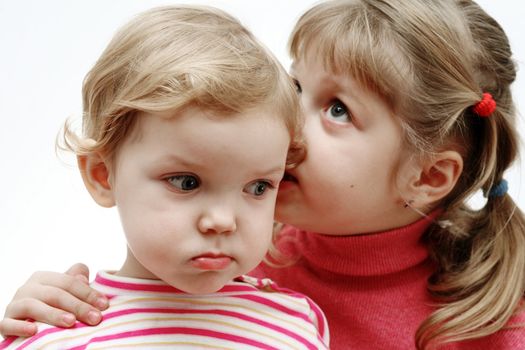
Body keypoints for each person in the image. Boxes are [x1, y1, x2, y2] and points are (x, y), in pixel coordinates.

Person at [2, 0, 525, 349]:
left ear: (428, 176)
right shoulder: (229, 261)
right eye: (295, 86)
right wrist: (34, 315)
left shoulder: (490, 319)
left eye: (337, 108)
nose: (288, 120)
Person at [0, 5, 330, 350]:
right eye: (187, 182)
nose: (221, 221)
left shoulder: (296, 321)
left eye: (258, 187)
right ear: (102, 176)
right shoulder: (57, 330)